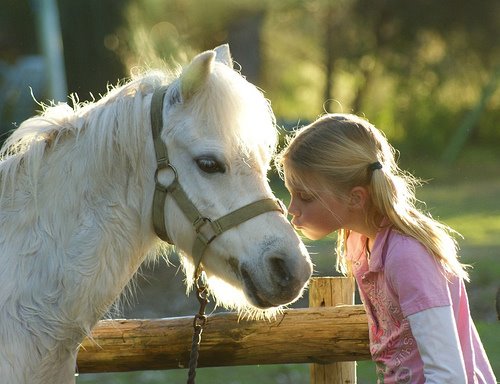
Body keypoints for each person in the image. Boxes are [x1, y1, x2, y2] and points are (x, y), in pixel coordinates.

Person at [276, 113, 497, 384]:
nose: (291, 209)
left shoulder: (407, 255)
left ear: (355, 197)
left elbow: (449, 376)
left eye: (305, 196)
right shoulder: (358, 242)